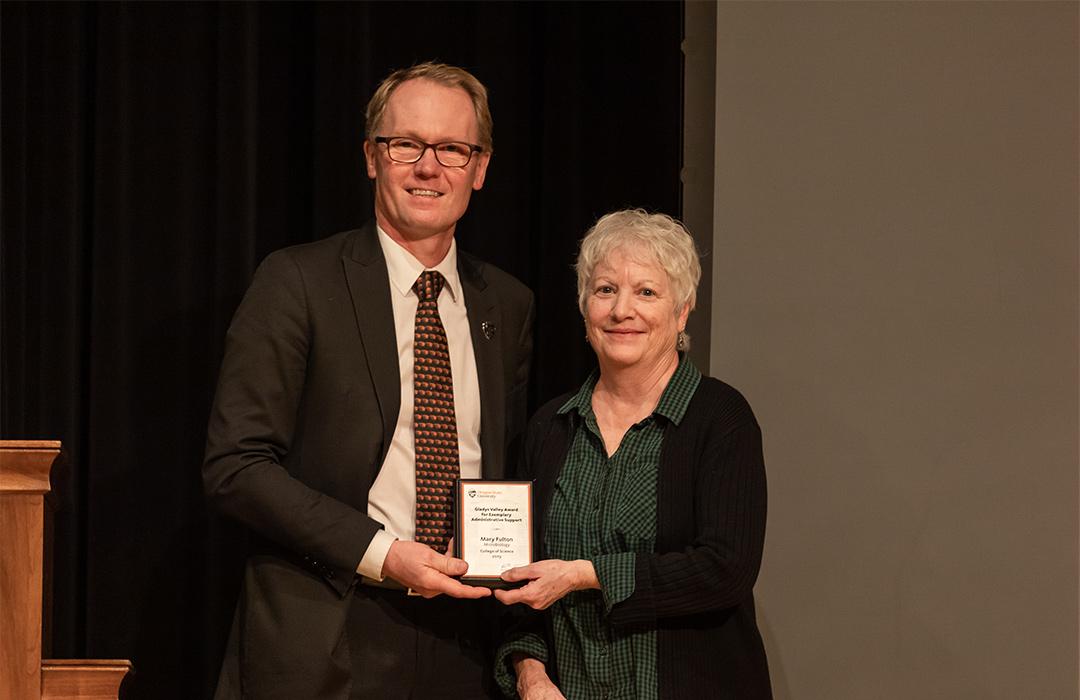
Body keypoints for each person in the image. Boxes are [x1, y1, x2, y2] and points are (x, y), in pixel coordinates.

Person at [203, 62, 534, 700]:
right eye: (405, 143)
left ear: (481, 168)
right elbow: (235, 466)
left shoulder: (509, 306)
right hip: (326, 636)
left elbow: (503, 464)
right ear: (371, 157)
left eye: (453, 149)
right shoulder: (298, 281)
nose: (428, 167)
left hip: (463, 642)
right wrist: (382, 552)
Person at [492, 209, 772, 699]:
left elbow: (725, 570)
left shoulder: (720, 418)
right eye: (605, 290)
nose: (623, 310)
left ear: (682, 311)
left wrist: (586, 574)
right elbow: (519, 585)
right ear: (584, 308)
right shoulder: (550, 428)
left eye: (646, 292)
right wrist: (530, 675)